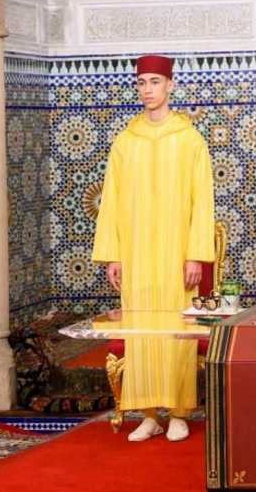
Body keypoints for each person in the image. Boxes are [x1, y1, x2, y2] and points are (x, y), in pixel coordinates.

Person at [92, 55, 215, 443]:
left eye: (155, 82)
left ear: (170, 86)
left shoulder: (190, 139)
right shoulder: (126, 142)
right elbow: (111, 199)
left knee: (177, 329)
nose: (147, 89)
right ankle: (147, 413)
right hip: (138, 252)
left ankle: (179, 412)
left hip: (177, 253)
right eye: (142, 82)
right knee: (143, 331)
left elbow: (203, 200)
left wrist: (195, 253)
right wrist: (114, 253)